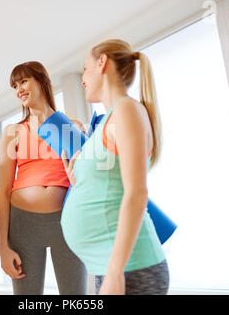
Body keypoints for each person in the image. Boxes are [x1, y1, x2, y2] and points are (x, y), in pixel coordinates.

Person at [61, 39, 169, 295]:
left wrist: (115, 272)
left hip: (130, 269)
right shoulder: (110, 118)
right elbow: (109, 187)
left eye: (86, 69)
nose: (83, 78)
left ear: (102, 63)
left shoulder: (126, 110)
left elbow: (137, 193)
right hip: (110, 267)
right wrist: (78, 181)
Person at [0, 61, 88, 295]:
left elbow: (88, 180)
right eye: (15, 86)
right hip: (23, 225)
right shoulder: (12, 133)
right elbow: (3, 191)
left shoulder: (73, 127)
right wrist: (2, 247)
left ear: (42, 81)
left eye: (24, 81)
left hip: (67, 222)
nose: (19, 89)